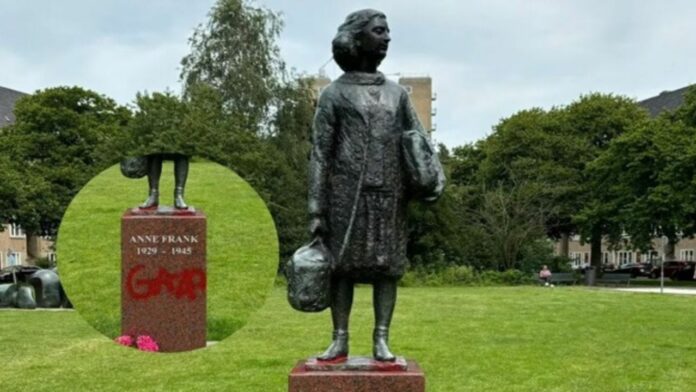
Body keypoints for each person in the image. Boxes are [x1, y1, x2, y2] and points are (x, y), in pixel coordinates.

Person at [308, 9, 431, 362]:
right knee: (341, 267)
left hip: (390, 194)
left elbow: (419, 141)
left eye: (388, 32)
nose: (387, 38)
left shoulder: (398, 95)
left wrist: (427, 177)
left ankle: (382, 339)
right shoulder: (334, 94)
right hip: (344, 196)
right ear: (357, 37)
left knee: (387, 267)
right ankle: (340, 338)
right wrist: (316, 209)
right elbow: (320, 154)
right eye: (379, 31)